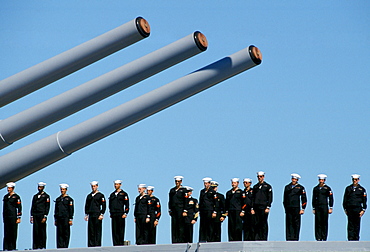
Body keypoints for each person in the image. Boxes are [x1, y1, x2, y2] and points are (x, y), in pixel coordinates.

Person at [343, 174, 367, 241]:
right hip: (350, 208)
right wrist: (345, 208)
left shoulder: (362, 189)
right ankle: (350, 238)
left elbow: (364, 200)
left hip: (358, 209)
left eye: (356, 180)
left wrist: (363, 209)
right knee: (350, 224)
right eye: (353, 179)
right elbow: (345, 199)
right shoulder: (348, 188)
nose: (354, 181)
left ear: (358, 180)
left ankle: (356, 238)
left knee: (356, 224)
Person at [283, 173, 307, 241]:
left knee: (296, 223)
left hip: (296, 207)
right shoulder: (287, 187)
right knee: (289, 223)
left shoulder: (300, 187)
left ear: (297, 180)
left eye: (295, 179)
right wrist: (285, 207)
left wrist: (303, 208)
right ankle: (289, 238)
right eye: (293, 179)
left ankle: (295, 238)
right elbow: (284, 198)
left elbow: (304, 198)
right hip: (289, 207)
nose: (294, 180)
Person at [84, 181, 106, 247]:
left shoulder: (100, 195)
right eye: (92, 186)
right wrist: (86, 214)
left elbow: (104, 205)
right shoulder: (89, 196)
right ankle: (91, 244)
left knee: (97, 230)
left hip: (97, 214)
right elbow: (86, 205)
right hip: (91, 214)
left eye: (94, 186)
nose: (93, 188)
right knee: (91, 230)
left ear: (97, 186)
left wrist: (102, 214)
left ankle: (97, 244)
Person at [312, 174, 333, 241]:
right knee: (318, 222)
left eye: (322, 180)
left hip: (324, 206)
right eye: (320, 180)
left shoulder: (327, 188)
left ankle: (324, 237)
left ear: (324, 180)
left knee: (324, 222)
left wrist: (331, 207)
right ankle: (318, 237)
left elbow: (331, 198)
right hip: (317, 206)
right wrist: (314, 208)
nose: (321, 181)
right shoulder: (315, 188)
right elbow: (313, 198)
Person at [252, 171, 273, 241]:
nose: (259, 178)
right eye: (258, 177)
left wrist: (268, 206)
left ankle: (264, 238)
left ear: (263, 177)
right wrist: (252, 208)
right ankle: (257, 237)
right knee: (256, 223)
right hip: (256, 207)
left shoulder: (267, 186)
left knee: (263, 222)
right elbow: (253, 198)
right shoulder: (255, 187)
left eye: (261, 176)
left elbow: (270, 197)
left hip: (263, 207)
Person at [108, 180, 129, 246]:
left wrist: (125, 213)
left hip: (121, 213)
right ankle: (115, 244)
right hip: (114, 214)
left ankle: (120, 243)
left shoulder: (124, 194)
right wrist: (110, 212)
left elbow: (127, 204)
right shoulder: (112, 194)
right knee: (114, 230)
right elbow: (110, 204)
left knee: (120, 229)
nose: (115, 186)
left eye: (117, 184)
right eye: (115, 184)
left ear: (120, 185)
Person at [30, 182, 50, 249]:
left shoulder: (46, 196)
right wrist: (32, 216)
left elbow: (47, 207)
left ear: (43, 188)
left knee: (42, 231)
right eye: (38, 187)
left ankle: (42, 246)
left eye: (40, 187)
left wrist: (45, 216)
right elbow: (33, 206)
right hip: (35, 215)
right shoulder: (35, 196)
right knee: (35, 231)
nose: (39, 188)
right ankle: (35, 246)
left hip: (42, 214)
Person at [2, 182, 22, 251]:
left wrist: (19, 217)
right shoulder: (5, 197)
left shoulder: (16, 197)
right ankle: (6, 247)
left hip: (13, 216)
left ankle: (12, 247)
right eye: (8, 188)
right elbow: (4, 207)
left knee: (13, 232)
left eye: (9, 188)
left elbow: (19, 207)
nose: (8, 189)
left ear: (12, 188)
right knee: (6, 232)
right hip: (7, 216)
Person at [54, 183, 74, 248]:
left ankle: (65, 246)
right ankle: (60, 246)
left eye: (63, 189)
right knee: (59, 233)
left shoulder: (69, 199)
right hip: (59, 218)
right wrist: (55, 219)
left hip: (66, 218)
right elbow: (56, 210)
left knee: (66, 233)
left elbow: (71, 210)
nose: (62, 191)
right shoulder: (58, 199)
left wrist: (70, 219)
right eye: (61, 189)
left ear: (66, 190)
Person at [168, 175, 186, 243]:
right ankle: (174, 240)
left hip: (180, 209)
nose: (177, 183)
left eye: (178, 181)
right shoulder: (172, 190)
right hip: (174, 209)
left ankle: (181, 240)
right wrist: (170, 209)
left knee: (180, 225)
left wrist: (185, 210)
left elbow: (185, 201)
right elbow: (170, 200)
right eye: (176, 181)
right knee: (174, 225)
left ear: (181, 182)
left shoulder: (184, 190)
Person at [199, 177, 216, 242]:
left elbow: (215, 202)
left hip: (210, 210)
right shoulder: (202, 191)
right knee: (203, 225)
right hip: (203, 210)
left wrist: (214, 211)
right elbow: (201, 201)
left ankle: (210, 239)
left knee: (210, 225)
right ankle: (202, 239)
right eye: (204, 183)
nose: (205, 185)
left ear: (209, 184)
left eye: (206, 183)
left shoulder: (212, 192)